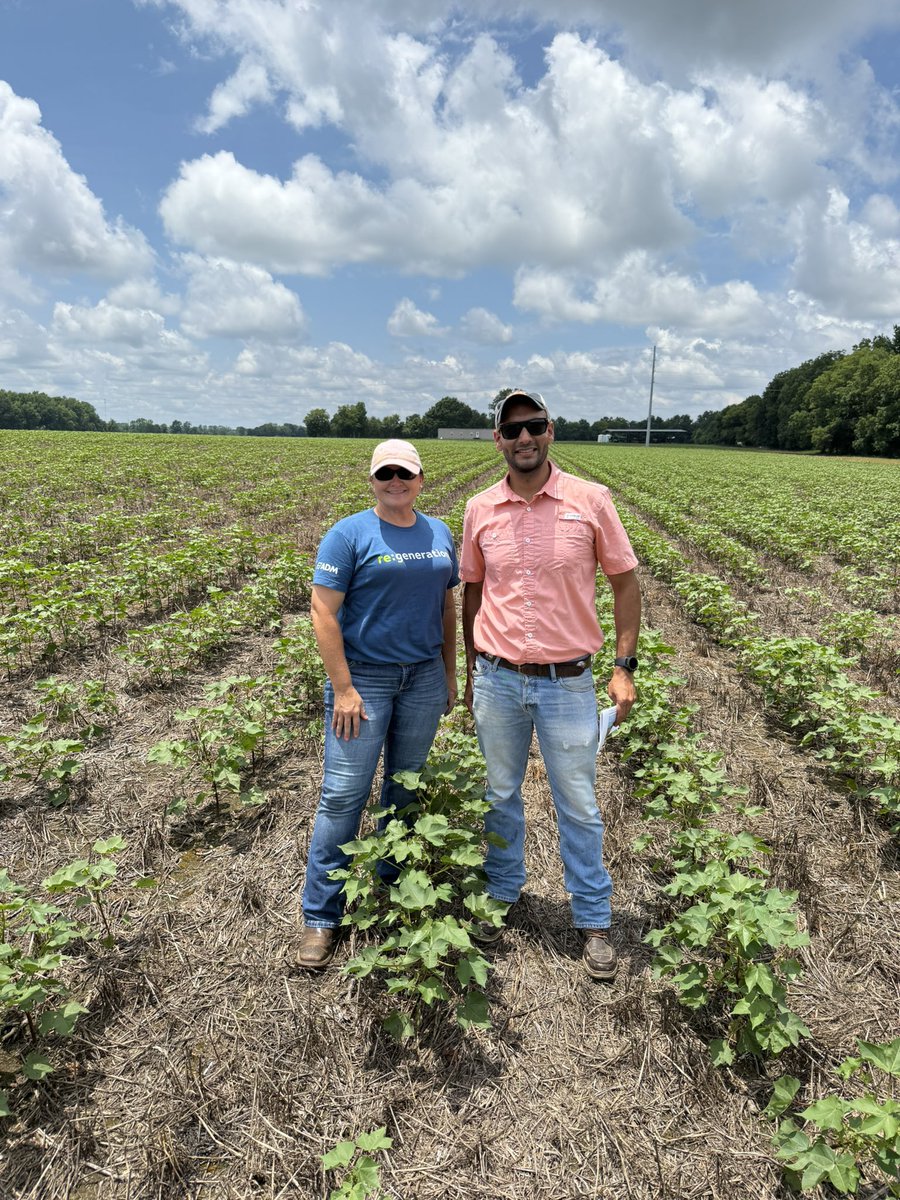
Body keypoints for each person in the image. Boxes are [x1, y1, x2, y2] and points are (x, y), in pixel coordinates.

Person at [461, 391, 641, 980]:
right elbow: (472, 592)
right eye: (511, 430)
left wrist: (623, 666)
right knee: (499, 793)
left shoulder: (591, 501)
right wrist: (470, 669)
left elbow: (624, 584)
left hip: (568, 683)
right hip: (497, 679)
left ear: (551, 431)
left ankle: (592, 918)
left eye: (533, 426)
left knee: (580, 805)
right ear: (498, 439)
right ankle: (502, 893)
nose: (523, 438)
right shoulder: (479, 508)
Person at [297, 439, 459, 969]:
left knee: (404, 787)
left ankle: (393, 888)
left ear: (420, 478)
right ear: (372, 479)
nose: (396, 481)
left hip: (424, 678)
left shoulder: (439, 533)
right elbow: (323, 613)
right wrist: (343, 688)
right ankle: (322, 916)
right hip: (364, 680)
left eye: (405, 474)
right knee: (343, 795)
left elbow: (445, 606)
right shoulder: (348, 534)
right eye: (386, 473)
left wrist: (449, 671)